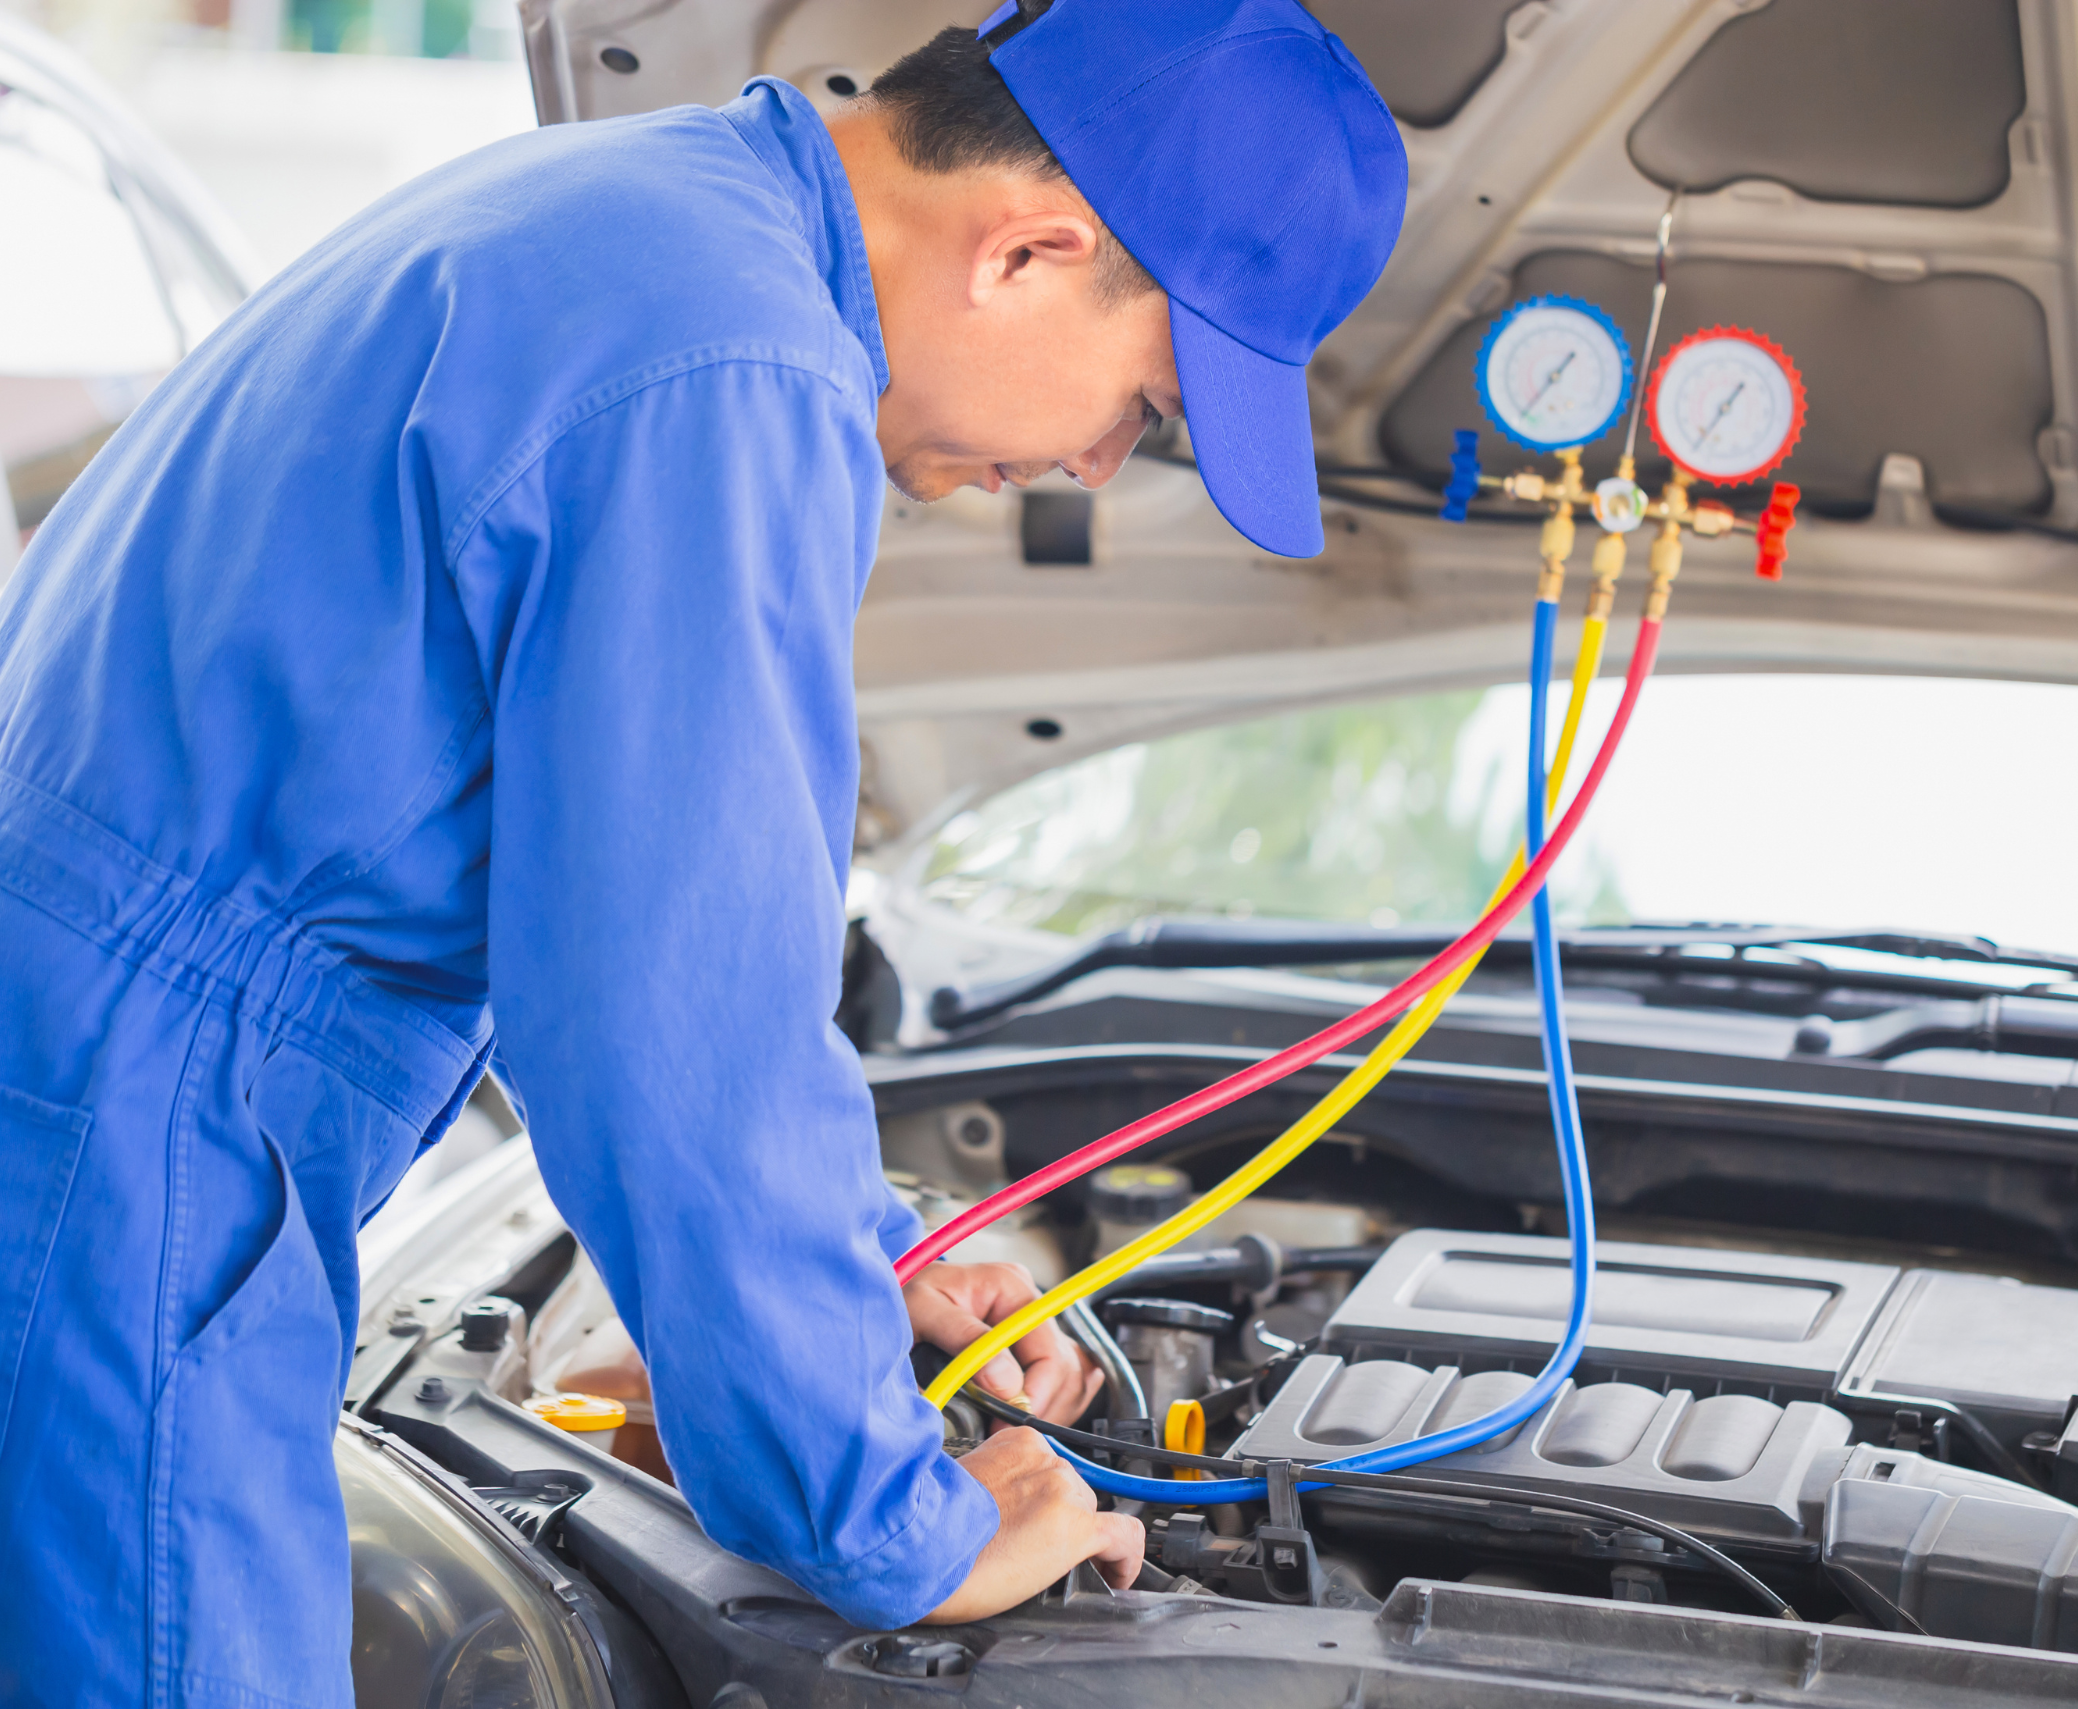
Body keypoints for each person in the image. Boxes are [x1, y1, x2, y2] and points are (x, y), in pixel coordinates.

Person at [0, 0, 1404, 1699]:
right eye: (1150, 409)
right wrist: (910, 1527)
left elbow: (585, 905)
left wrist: (861, 1251)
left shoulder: (646, 217)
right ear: (1032, 251)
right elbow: (678, 1023)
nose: (1095, 466)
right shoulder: (734, 374)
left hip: (88, 1089)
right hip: (129, 1163)